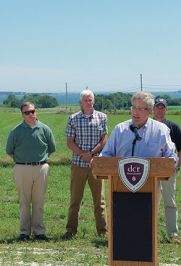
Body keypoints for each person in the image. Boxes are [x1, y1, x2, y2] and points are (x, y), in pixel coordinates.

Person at [6, 102, 56, 241]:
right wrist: (23, 162)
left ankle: (39, 232)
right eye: (27, 112)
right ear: (22, 115)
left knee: (39, 202)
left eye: (33, 111)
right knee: (24, 202)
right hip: (22, 168)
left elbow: (51, 148)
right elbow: (9, 151)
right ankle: (24, 233)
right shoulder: (16, 131)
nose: (31, 114)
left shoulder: (45, 129)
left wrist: (40, 161)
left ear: (36, 111)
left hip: (42, 168)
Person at [62, 89, 108, 240]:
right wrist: (83, 155)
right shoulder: (73, 118)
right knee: (75, 199)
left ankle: (103, 231)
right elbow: (70, 142)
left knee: (99, 201)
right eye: (85, 100)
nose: (88, 102)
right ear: (80, 102)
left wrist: (92, 154)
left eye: (90, 100)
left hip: (96, 164)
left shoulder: (102, 117)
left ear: (93, 101)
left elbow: (104, 140)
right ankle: (71, 230)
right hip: (78, 165)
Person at [101, 92, 177, 161]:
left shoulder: (161, 130)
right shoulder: (119, 129)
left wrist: (162, 164)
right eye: (133, 107)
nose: (135, 112)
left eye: (140, 109)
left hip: (153, 176)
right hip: (120, 176)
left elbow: (171, 156)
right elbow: (106, 154)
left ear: (150, 110)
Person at [153, 98, 181, 244]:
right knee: (151, 202)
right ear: (153, 109)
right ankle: (149, 232)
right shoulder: (148, 126)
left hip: (168, 172)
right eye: (157, 107)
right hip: (151, 172)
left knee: (170, 202)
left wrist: (177, 166)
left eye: (162, 107)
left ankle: (172, 234)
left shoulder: (174, 127)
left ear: (166, 110)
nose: (160, 110)